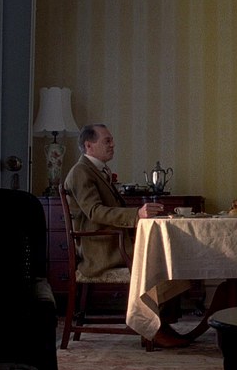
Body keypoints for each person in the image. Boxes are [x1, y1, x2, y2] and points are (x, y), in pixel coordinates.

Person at [63, 123, 190, 348]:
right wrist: (136, 215)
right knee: (160, 262)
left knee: (170, 256)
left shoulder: (97, 170)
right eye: (107, 141)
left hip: (112, 242)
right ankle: (151, 326)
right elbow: (95, 211)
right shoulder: (81, 172)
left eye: (112, 140)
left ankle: (159, 322)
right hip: (101, 249)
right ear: (89, 145)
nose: (113, 144)